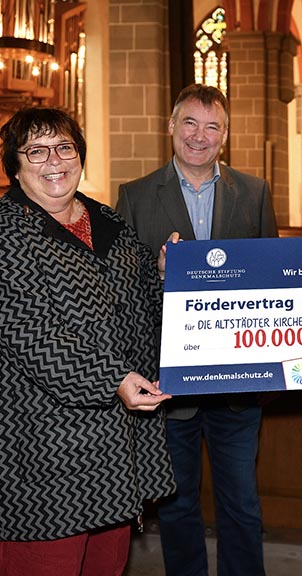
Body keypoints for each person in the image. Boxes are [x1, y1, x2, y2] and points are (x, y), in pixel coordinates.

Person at [0, 107, 174, 575]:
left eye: (64, 147)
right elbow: (31, 335)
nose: (53, 160)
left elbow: (143, 303)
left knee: (106, 565)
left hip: (114, 448)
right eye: (36, 151)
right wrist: (114, 378)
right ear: (14, 166)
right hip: (42, 449)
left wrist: (163, 276)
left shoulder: (106, 219)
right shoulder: (6, 230)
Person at [117, 84, 278, 576]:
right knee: (178, 506)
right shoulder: (136, 196)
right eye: (190, 123)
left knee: (242, 506)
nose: (199, 136)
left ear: (225, 136)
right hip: (170, 381)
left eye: (212, 127)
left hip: (237, 383)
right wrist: (159, 274)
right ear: (170, 126)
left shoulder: (253, 193)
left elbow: (271, 282)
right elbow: (121, 295)